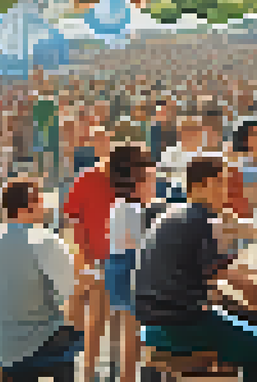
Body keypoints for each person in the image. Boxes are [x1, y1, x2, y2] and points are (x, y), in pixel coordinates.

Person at [135, 156, 257, 382]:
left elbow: (216, 269)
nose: (226, 191)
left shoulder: (174, 215)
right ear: (202, 185)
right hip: (182, 326)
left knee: (250, 330)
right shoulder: (203, 219)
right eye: (221, 183)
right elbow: (227, 277)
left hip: (153, 325)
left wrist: (253, 280)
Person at [0, 178, 85, 382]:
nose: (45, 206)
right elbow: (73, 292)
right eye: (39, 200)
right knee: (76, 332)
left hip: (0, 343)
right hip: (35, 342)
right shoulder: (42, 239)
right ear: (25, 209)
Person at [61, 125, 114, 382]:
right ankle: (85, 369)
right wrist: (79, 256)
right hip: (89, 256)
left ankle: (91, 370)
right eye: (97, 141)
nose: (101, 145)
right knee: (86, 316)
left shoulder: (120, 179)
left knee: (100, 317)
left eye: (104, 140)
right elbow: (71, 219)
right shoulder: (85, 178)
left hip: (111, 257)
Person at [106, 144, 155, 382]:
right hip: (130, 268)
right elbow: (140, 243)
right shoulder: (133, 209)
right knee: (133, 336)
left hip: (117, 266)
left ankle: (124, 376)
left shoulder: (119, 206)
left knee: (128, 333)